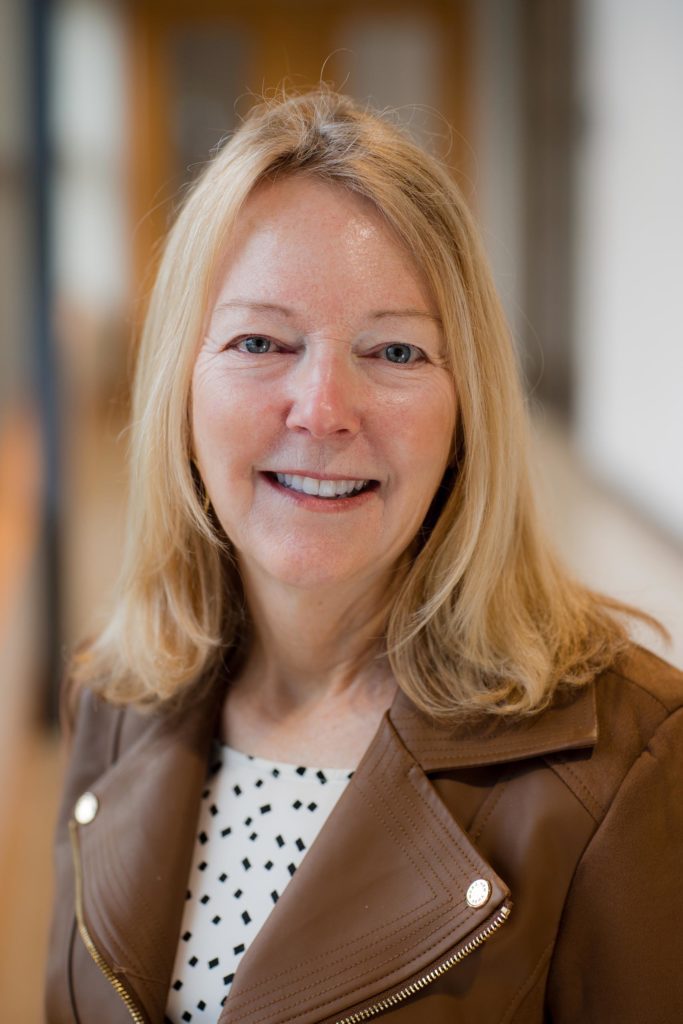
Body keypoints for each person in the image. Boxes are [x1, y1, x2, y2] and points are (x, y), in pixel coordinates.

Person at [46, 89, 683, 1024]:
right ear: (182, 386)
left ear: (467, 411)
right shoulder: (117, 695)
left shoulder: (631, 757)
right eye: (260, 340)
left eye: (394, 352)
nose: (323, 409)